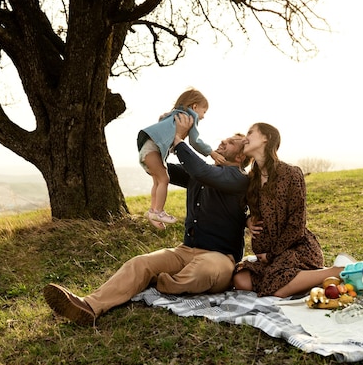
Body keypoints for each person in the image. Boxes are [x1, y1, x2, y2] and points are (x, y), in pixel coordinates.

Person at [43, 113, 250, 326]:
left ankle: (155, 283)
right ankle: (88, 306)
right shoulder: (200, 174)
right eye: (226, 139)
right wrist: (165, 132)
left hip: (220, 258)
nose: (224, 141)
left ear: (241, 157)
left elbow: (201, 170)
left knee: (203, 271)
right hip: (185, 252)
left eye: (232, 142)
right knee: (140, 263)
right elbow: (160, 168)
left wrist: (179, 140)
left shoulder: (239, 179)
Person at [232, 122, 355, 298]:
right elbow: (241, 211)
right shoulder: (251, 179)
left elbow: (297, 224)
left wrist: (272, 254)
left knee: (277, 289)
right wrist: (248, 220)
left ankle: (340, 271)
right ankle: (308, 280)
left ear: (266, 138)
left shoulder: (290, 173)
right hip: (267, 256)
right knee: (241, 280)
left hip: (295, 248)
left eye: (250, 133)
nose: (245, 138)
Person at [137, 88, 226, 229]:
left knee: (157, 181)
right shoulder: (190, 117)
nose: (203, 116)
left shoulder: (174, 114)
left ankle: (153, 212)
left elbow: (162, 124)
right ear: (195, 107)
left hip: (146, 148)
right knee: (164, 179)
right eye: (204, 111)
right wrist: (211, 153)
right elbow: (195, 141)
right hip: (153, 150)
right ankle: (159, 212)